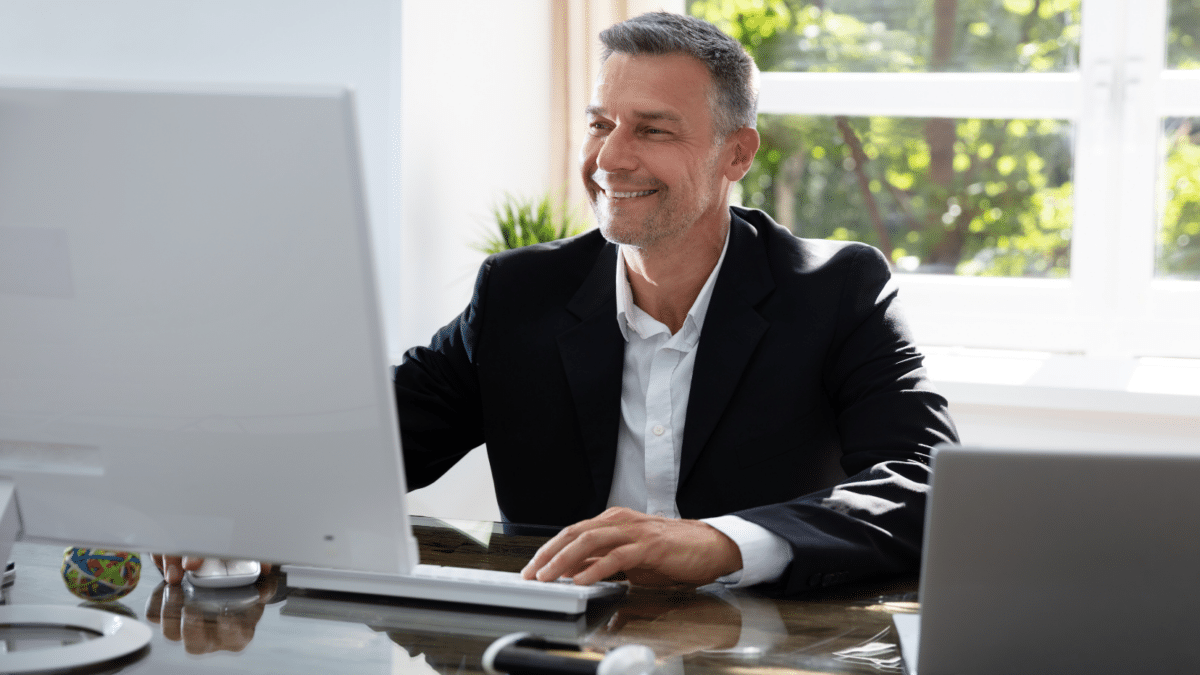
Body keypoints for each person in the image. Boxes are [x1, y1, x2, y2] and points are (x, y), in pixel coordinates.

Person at [157, 12, 956, 595]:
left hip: (764, 646)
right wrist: (243, 507)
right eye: (601, 123)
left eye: (652, 129)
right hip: (548, 642)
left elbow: (926, 485)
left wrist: (722, 542)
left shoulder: (838, 288)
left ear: (735, 153)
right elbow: (375, 437)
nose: (610, 156)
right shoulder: (517, 294)